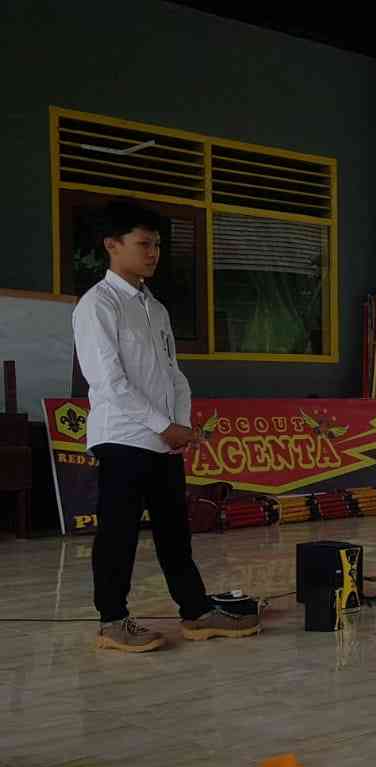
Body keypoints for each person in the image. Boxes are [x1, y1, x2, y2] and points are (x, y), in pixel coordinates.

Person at [73, 201, 258, 652]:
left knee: (176, 532)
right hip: (121, 438)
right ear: (112, 246)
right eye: (143, 244)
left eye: (156, 244)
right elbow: (109, 382)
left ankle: (195, 612)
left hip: (162, 441)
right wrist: (162, 425)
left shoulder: (154, 307)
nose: (153, 252)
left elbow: (173, 373)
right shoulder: (97, 305)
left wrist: (182, 428)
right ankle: (112, 622)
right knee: (118, 532)